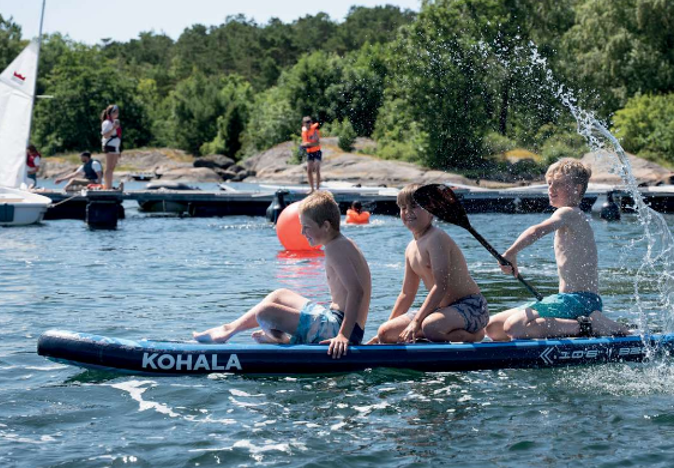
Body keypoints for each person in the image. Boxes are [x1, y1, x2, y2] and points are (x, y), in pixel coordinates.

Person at [194, 191, 371, 358]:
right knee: (280, 295)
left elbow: (356, 291)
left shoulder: (335, 248)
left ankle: (281, 339)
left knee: (265, 313)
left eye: (306, 227)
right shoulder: (341, 243)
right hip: (335, 320)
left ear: (325, 226)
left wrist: (343, 337)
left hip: (340, 329)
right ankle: (228, 329)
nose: (302, 233)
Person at [486, 158, 629, 340]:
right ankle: (572, 325)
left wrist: (510, 254)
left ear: (577, 189)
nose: (551, 189)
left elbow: (537, 230)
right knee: (493, 328)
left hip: (582, 301)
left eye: (558, 184)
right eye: (549, 184)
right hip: (567, 301)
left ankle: (588, 325)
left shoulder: (569, 212)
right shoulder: (570, 215)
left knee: (514, 328)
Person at [373, 184, 489, 344]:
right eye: (403, 207)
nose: (407, 212)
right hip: (441, 310)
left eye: (414, 206)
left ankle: (475, 335)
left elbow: (441, 286)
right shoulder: (410, 248)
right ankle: (426, 332)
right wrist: (385, 329)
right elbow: (407, 294)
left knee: (431, 327)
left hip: (472, 307)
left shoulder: (436, 238)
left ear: (431, 211)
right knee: (385, 333)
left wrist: (416, 322)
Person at [101, 104, 123, 190]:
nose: (116, 114)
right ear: (109, 113)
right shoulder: (107, 123)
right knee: (108, 167)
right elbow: (106, 135)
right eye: (114, 112)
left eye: (117, 112)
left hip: (115, 146)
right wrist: (114, 127)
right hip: (109, 145)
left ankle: (109, 185)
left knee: (112, 167)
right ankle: (107, 186)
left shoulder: (114, 122)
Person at [301, 116, 321, 192]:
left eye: (309, 122)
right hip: (310, 152)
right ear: (304, 124)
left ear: (311, 123)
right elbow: (304, 142)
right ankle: (312, 189)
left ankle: (318, 189)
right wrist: (303, 145)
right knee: (309, 170)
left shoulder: (315, 130)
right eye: (307, 122)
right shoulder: (304, 132)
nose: (308, 124)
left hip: (317, 152)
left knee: (317, 168)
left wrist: (307, 144)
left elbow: (316, 143)